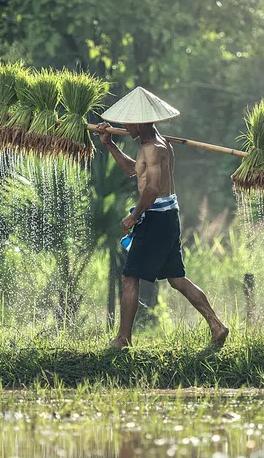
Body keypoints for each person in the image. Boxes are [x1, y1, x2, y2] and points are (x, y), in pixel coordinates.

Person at [94, 87, 229, 350]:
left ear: (140, 121)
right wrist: (109, 143)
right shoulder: (156, 145)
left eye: (128, 121)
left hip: (156, 218)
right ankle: (217, 325)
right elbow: (134, 171)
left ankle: (123, 339)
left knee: (129, 277)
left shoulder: (154, 148)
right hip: (168, 216)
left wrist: (135, 215)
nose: (124, 125)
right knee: (176, 278)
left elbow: (153, 190)